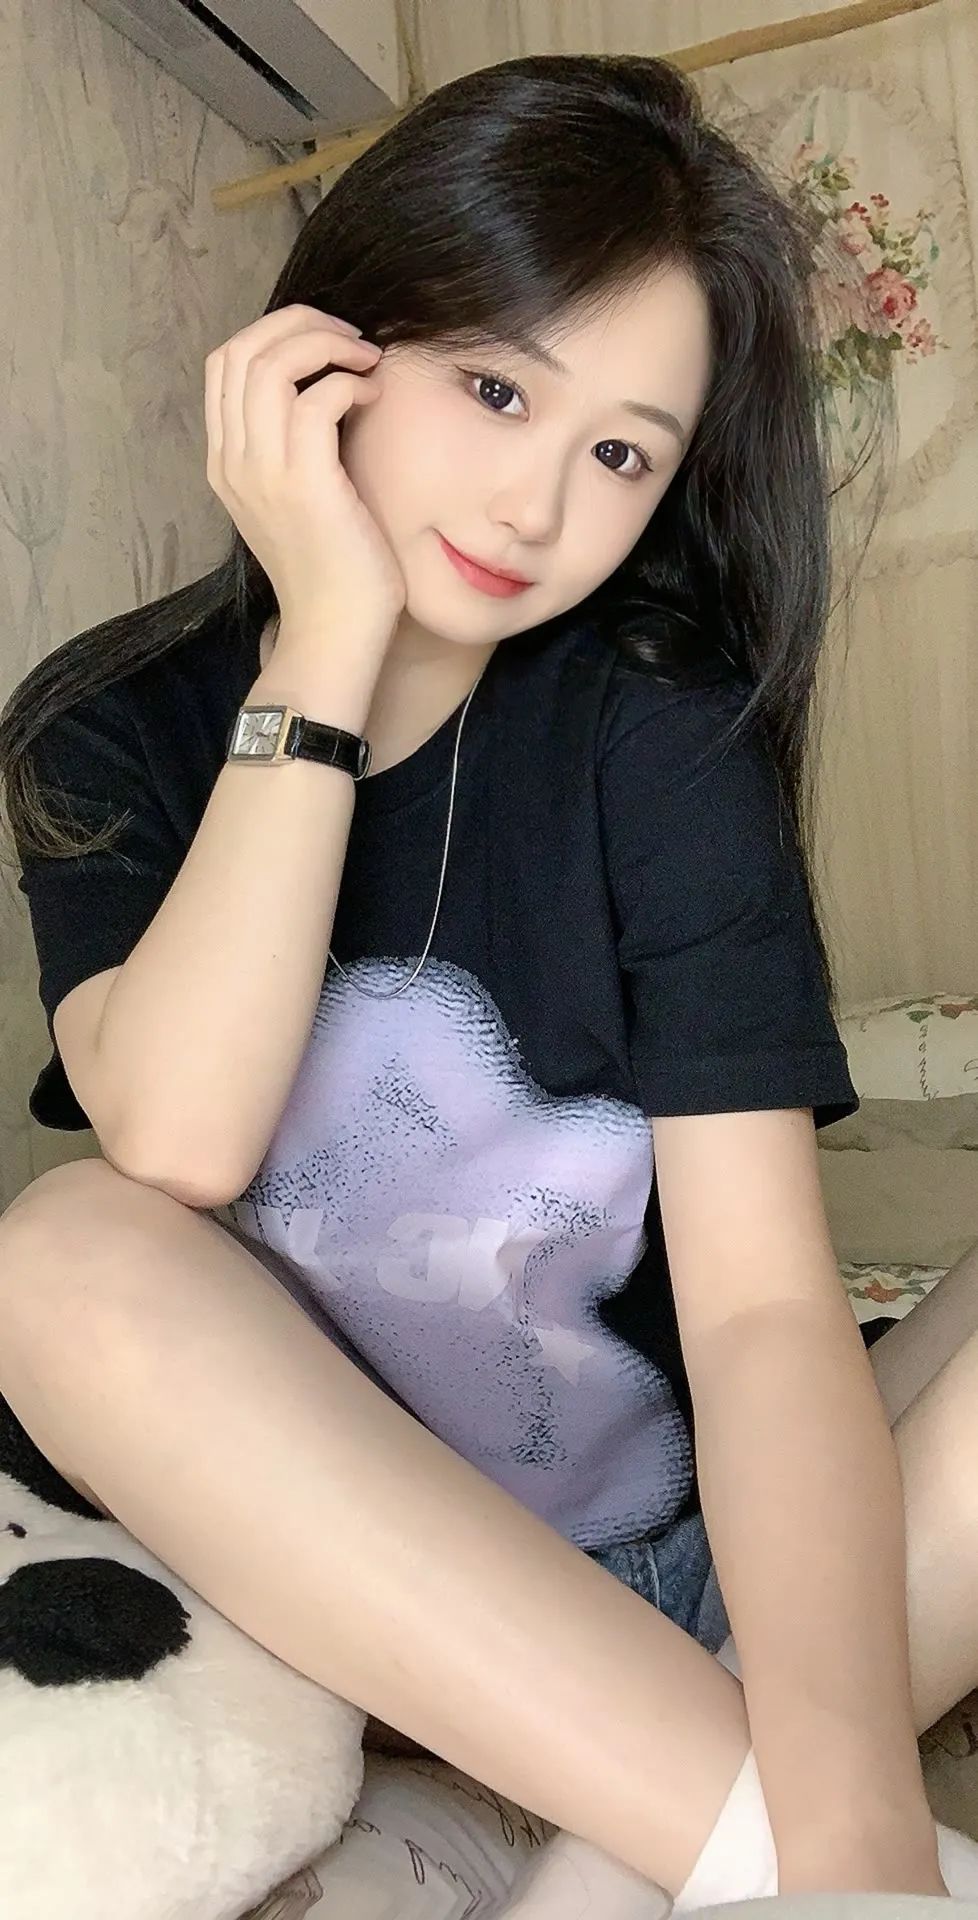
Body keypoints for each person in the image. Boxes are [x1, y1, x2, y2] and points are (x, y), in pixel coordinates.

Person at [2, 50, 978, 1914]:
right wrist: (328, 636)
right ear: (327, 350)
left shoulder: (654, 728)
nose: (534, 505)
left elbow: (765, 1316)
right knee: (63, 1255)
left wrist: (856, 1828)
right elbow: (180, 1136)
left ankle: (653, 1836)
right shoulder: (109, 726)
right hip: (342, 1606)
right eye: (495, 387)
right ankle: (704, 1829)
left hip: (706, 1583)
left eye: (619, 453)